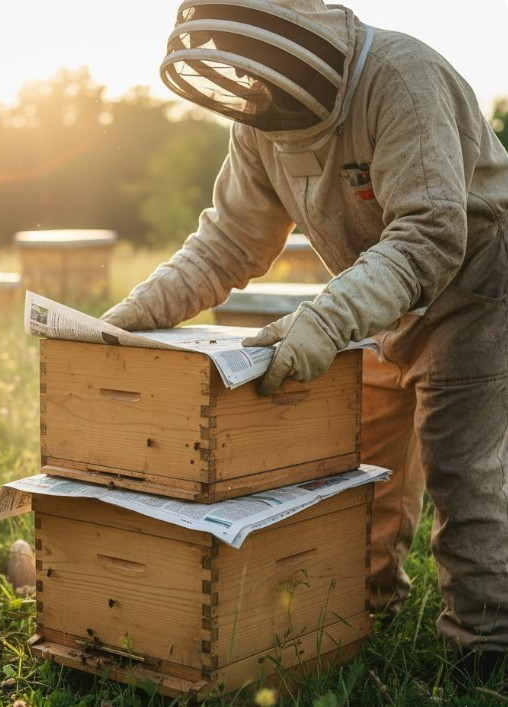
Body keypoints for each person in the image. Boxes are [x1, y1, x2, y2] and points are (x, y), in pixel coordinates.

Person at [101, 0, 508, 682]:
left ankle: (484, 651)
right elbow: (229, 241)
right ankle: (359, 609)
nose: (250, 83)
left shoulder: (401, 78)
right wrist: (131, 316)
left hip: (477, 291)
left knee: (461, 472)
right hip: (378, 299)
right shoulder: (259, 120)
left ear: (292, 30)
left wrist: (325, 319)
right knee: (355, 467)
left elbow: (431, 234)